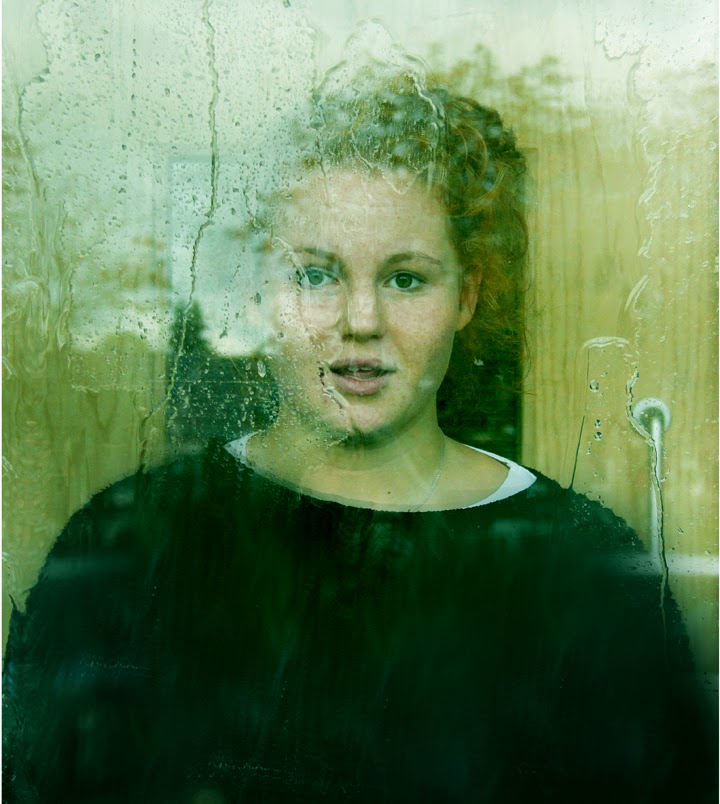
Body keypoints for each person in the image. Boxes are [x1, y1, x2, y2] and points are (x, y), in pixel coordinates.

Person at [2, 71, 715, 803]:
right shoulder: (129, 549)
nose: (362, 320)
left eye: (406, 279)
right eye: (316, 275)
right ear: (260, 292)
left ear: (467, 296)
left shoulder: (588, 568)